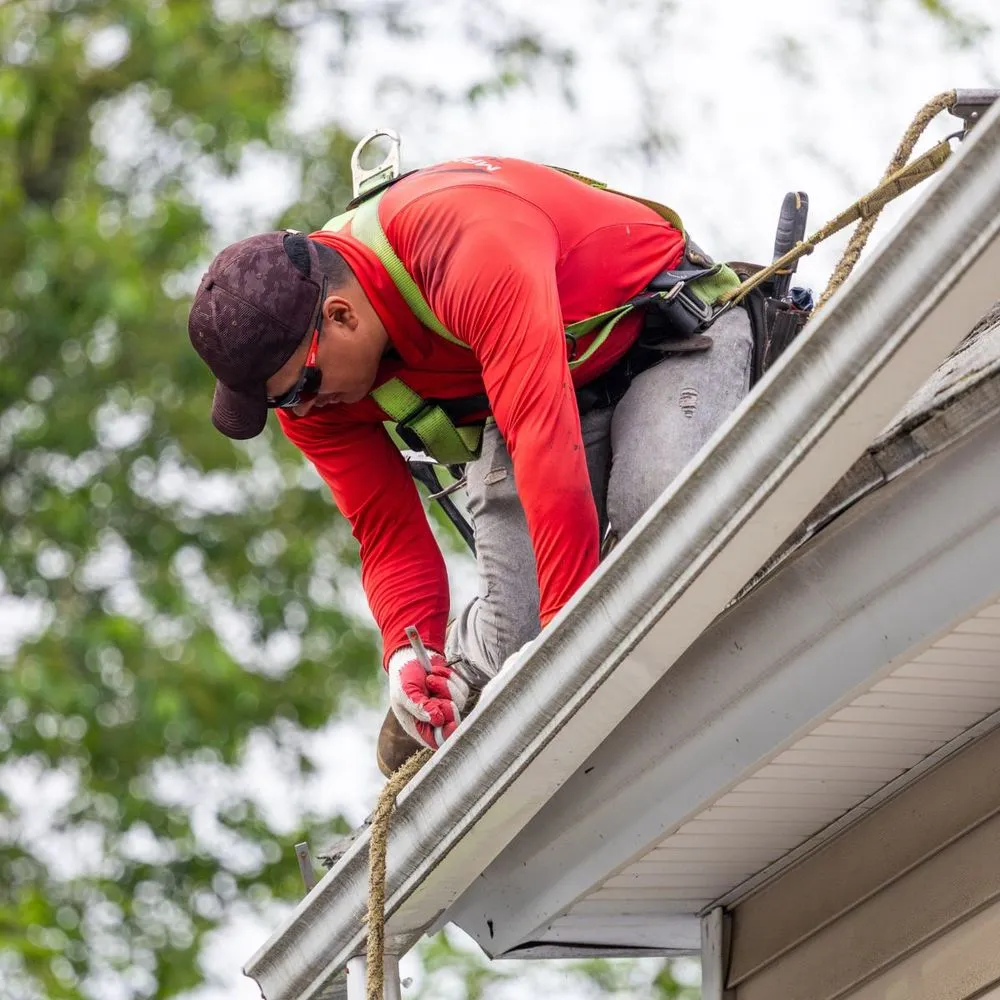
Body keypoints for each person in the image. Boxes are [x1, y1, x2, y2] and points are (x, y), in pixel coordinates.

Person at [187, 156, 754, 776]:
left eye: (301, 388)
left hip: (665, 336)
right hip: (538, 403)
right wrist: (409, 651)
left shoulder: (459, 241)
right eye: (279, 402)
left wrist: (569, 649)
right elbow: (386, 532)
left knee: (657, 511)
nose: (299, 410)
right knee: (519, 635)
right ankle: (466, 663)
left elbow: (542, 436)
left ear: (342, 316)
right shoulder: (311, 395)